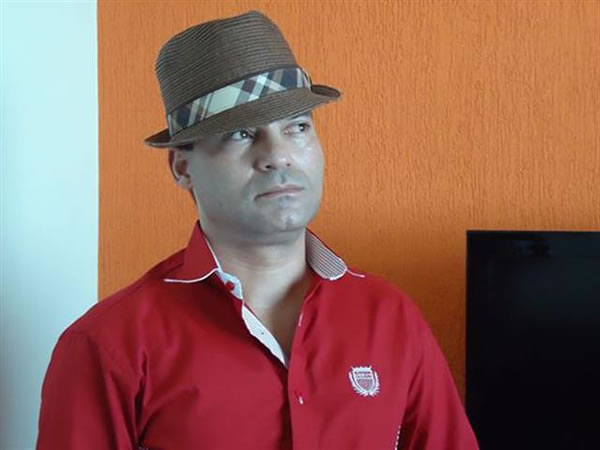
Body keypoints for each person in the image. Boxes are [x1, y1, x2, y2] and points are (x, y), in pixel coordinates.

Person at [37, 10, 479, 450]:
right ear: (182, 167)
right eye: (241, 134)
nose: (278, 155)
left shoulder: (390, 317)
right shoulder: (108, 344)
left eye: (297, 127)